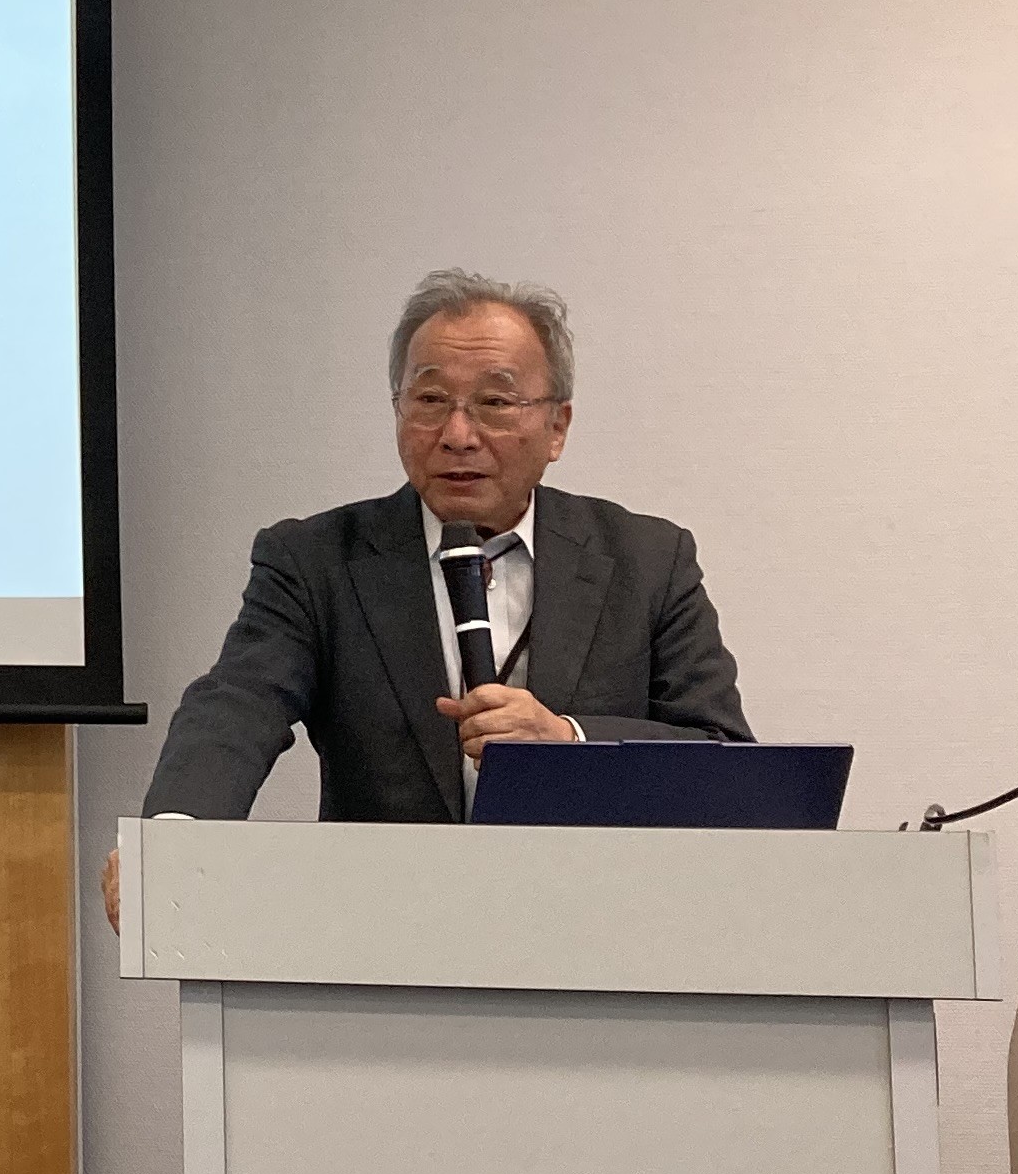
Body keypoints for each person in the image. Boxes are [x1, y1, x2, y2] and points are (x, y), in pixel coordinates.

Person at [112, 271, 747, 910]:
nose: (457, 434)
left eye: (494, 403)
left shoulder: (647, 560)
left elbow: (725, 760)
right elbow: (237, 705)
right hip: (383, 924)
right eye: (431, 400)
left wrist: (570, 741)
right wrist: (172, 842)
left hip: (598, 921)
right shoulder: (316, 561)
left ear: (558, 427)